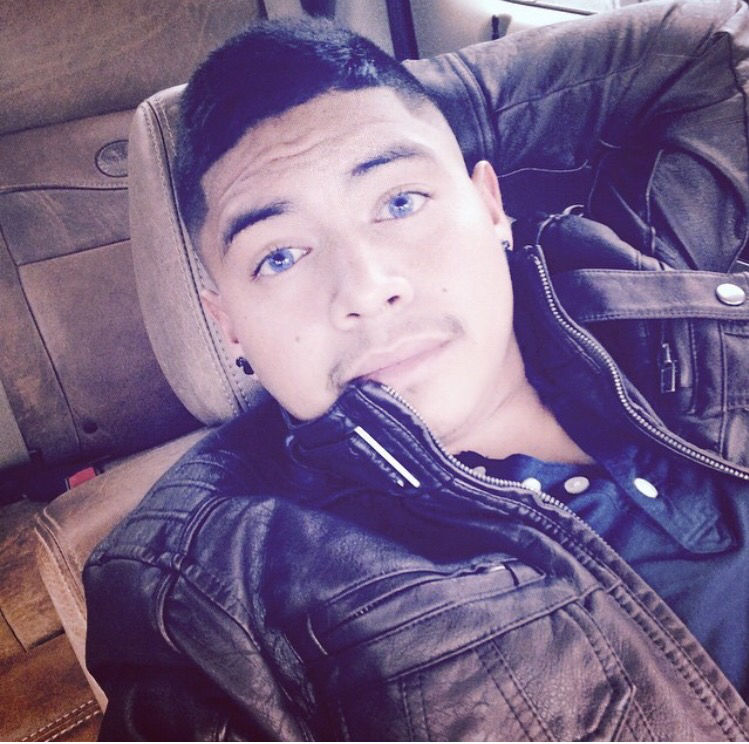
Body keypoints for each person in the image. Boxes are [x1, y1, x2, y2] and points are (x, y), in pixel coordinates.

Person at [84, 1, 749, 739]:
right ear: (228, 322)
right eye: (280, 255)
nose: (366, 289)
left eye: (401, 201)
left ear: (490, 206)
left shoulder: (660, 276)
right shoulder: (202, 591)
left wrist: (382, 95)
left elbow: (709, 43)